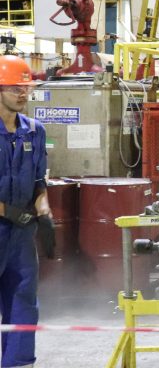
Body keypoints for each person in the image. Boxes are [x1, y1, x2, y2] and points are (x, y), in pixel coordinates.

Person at [0, 55, 53, 368]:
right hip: (6, 222)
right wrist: (7, 211)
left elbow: (38, 181)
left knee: (23, 303)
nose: (23, 94)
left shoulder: (35, 131)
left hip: (21, 235)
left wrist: (43, 210)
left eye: (26, 88)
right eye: (15, 88)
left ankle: (18, 365)